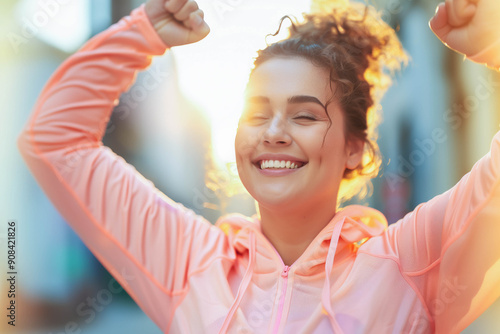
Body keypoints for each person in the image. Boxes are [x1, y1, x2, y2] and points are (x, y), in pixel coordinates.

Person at [17, 0, 500, 332]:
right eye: (256, 113)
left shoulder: (410, 263)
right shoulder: (190, 262)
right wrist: (141, 35)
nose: (273, 131)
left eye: (305, 114)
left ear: (355, 148)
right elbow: (54, 138)